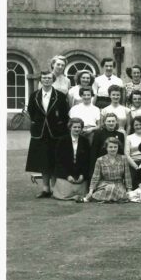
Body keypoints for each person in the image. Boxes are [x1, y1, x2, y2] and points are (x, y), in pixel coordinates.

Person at [26, 69, 70, 198]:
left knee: (55, 160)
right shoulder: (34, 95)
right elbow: (31, 112)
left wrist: (58, 124)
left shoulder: (60, 96)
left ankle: (55, 188)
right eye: (44, 78)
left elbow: (64, 113)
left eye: (49, 78)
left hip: (56, 132)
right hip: (40, 132)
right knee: (43, 161)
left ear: (53, 80)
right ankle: (46, 189)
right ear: (41, 80)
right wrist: (38, 123)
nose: (46, 80)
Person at [83, 135, 133, 203]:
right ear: (106, 148)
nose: (113, 149)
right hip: (104, 185)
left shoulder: (123, 159)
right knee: (110, 188)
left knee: (119, 192)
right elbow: (95, 177)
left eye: (115, 147)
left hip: (119, 185)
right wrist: (90, 191)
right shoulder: (100, 160)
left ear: (118, 148)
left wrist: (129, 191)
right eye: (110, 147)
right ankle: (111, 199)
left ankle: (105, 199)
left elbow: (127, 176)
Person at [52, 118, 92, 201]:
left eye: (79, 127)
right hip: (65, 173)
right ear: (70, 127)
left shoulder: (85, 141)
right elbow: (58, 161)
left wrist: (82, 175)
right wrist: (67, 176)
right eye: (75, 127)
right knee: (65, 193)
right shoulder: (62, 140)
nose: (77, 129)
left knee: (81, 192)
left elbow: (87, 161)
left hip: (79, 173)